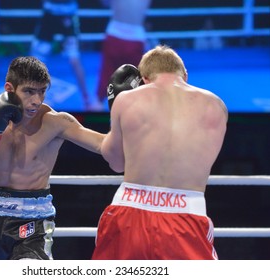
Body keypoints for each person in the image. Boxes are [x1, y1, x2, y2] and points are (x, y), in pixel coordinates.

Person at [0, 56, 105, 260]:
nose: (36, 100)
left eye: (42, 91)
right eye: (29, 91)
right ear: (9, 88)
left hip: (33, 219)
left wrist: (124, 112)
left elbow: (102, 145)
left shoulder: (55, 121)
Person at [92, 45, 228, 260]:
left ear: (144, 78)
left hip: (130, 210)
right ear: (185, 75)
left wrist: (116, 109)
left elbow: (117, 163)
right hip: (186, 213)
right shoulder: (216, 105)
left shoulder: (127, 100)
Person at [31, 0, 93, 110]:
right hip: (50, 14)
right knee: (37, 60)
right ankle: (30, 98)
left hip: (68, 15)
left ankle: (86, 99)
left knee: (74, 59)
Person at [95, 0, 152, 109]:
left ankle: (96, 120)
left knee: (105, 82)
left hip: (115, 34)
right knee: (138, 84)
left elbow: (105, 3)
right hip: (135, 38)